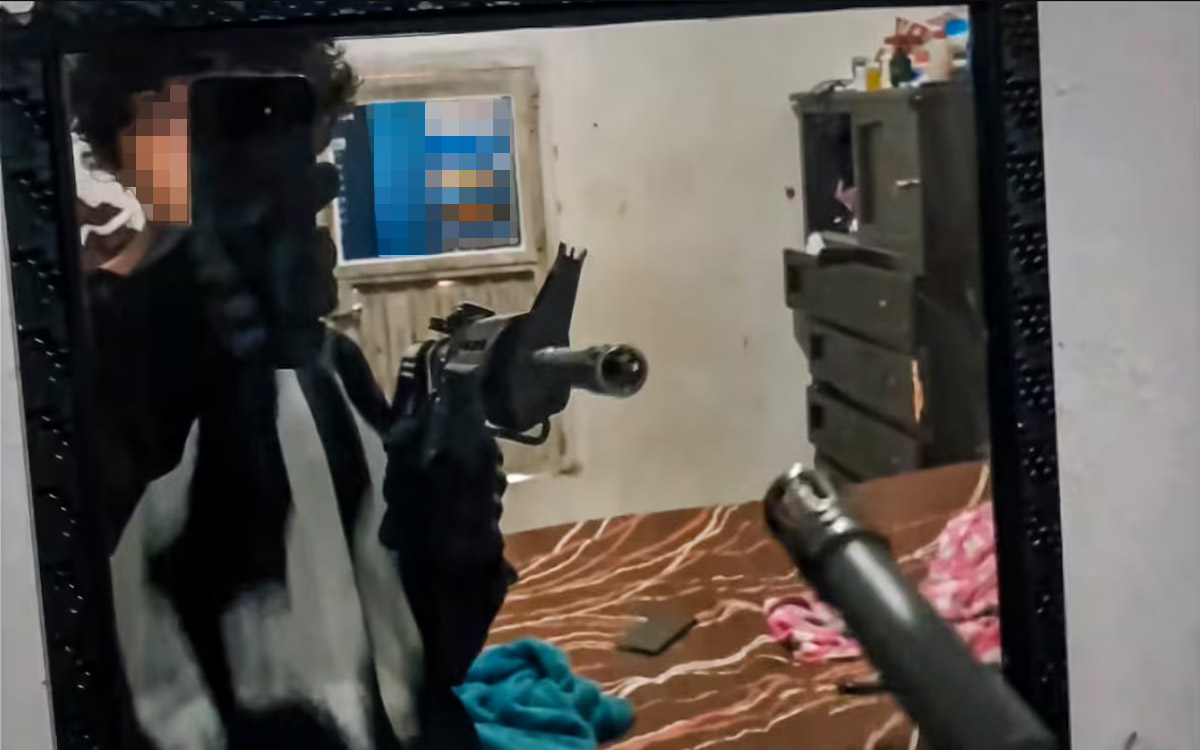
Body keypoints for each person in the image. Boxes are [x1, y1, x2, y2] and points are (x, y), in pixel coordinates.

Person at [69, 33, 513, 750]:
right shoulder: (68, 363)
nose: (242, 152)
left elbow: (433, 651)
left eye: (274, 111)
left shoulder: (331, 365)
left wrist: (458, 511)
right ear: (119, 139)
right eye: (213, 113)